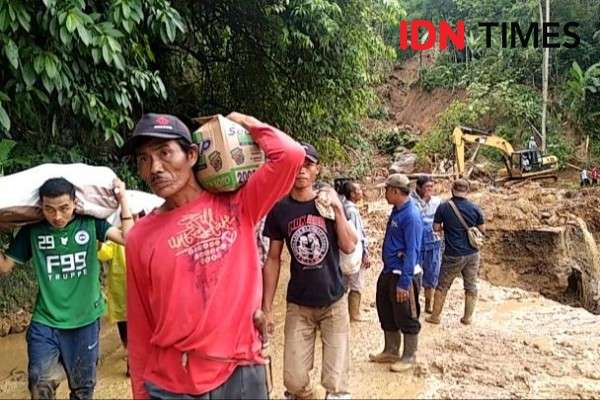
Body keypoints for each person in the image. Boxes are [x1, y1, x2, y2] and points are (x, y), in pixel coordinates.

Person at [123, 112, 305, 399]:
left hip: (240, 373)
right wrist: (140, 393)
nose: (155, 167)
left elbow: (291, 156)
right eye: (144, 159)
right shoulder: (139, 237)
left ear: (192, 154)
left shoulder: (238, 205)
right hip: (172, 384)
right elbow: (140, 326)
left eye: (165, 153)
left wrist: (244, 122)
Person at [0, 177, 132, 399]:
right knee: (40, 383)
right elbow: (4, 266)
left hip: (85, 320)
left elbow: (128, 239)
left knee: (82, 390)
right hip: (46, 320)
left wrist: (123, 199)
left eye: (64, 208)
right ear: (40, 207)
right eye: (49, 209)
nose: (57, 216)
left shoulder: (91, 224)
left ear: (75, 203)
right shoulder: (33, 231)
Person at [262, 143, 357, 399]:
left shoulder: (327, 204)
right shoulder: (280, 210)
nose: (302, 170)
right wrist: (267, 308)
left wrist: (337, 208)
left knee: (336, 384)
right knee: (293, 382)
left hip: (334, 302)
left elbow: (348, 245)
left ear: (317, 169)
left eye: (308, 164)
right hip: (299, 305)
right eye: (297, 164)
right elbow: (273, 259)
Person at [369, 174, 423, 373]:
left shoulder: (411, 216)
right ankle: (391, 349)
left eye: (386, 190)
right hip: (389, 270)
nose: (384, 194)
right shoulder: (397, 210)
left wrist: (404, 282)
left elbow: (413, 251)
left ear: (395, 191)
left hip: (403, 273)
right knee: (386, 309)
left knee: (406, 314)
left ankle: (409, 355)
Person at [426, 179, 485, 326]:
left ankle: (435, 317)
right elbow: (482, 230)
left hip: (453, 253)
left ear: (452, 189)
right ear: (467, 190)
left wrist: (447, 228)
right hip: (473, 253)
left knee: (442, 285)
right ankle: (467, 318)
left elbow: (435, 228)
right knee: (471, 285)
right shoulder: (475, 208)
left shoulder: (444, 207)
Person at [97, 212, 145, 377]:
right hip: (121, 292)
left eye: (136, 216)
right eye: (130, 217)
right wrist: (98, 238)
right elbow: (102, 252)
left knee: (141, 327)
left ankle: (135, 358)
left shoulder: (149, 234)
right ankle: (130, 354)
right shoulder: (116, 239)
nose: (133, 220)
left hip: (142, 294)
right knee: (125, 326)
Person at [337, 180, 371, 321]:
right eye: (359, 190)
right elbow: (358, 236)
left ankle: (341, 314)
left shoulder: (343, 207)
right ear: (352, 194)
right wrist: (365, 253)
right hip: (354, 253)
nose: (361, 192)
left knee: (342, 283)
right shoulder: (352, 211)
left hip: (343, 253)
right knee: (356, 284)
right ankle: (354, 314)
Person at [410, 176, 442, 314]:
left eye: (431, 187)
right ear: (418, 187)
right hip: (415, 244)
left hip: (433, 243)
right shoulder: (410, 201)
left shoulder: (437, 202)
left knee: (432, 274)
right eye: (427, 187)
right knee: (414, 274)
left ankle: (428, 304)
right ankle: (413, 304)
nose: (430, 190)